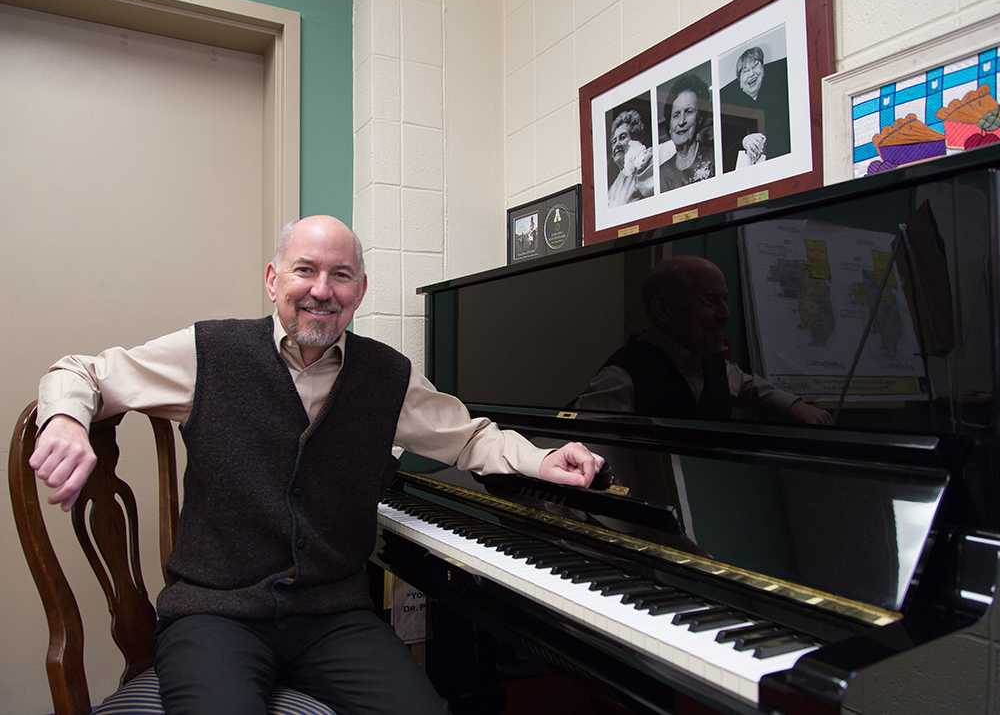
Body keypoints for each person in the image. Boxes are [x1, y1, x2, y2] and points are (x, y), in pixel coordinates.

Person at [30, 215, 605, 715]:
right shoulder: (208, 353)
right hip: (214, 614)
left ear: (359, 291)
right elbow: (80, 371)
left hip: (333, 616)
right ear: (273, 279)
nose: (321, 291)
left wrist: (544, 458)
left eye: (341, 275)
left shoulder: (387, 376)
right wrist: (66, 421)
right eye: (305, 270)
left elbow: (469, 438)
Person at [573, 256, 832, 425]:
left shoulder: (712, 364)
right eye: (709, 301)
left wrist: (798, 408)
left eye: (724, 300)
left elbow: (752, 388)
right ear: (664, 310)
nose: (724, 314)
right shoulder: (621, 378)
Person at [720, 46, 791, 172]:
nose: (752, 73)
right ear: (739, 81)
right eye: (745, 71)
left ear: (763, 69)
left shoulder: (780, 94)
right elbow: (724, 146)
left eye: (755, 66)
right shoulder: (729, 108)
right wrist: (744, 141)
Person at [658, 74, 716, 192]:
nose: (681, 121)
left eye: (689, 111)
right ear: (669, 124)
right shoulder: (662, 172)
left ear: (699, 118)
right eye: (676, 114)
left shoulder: (714, 155)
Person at [607, 108, 654, 207]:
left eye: (623, 137)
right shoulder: (614, 185)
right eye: (614, 141)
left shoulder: (646, 162)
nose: (617, 144)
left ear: (635, 139)